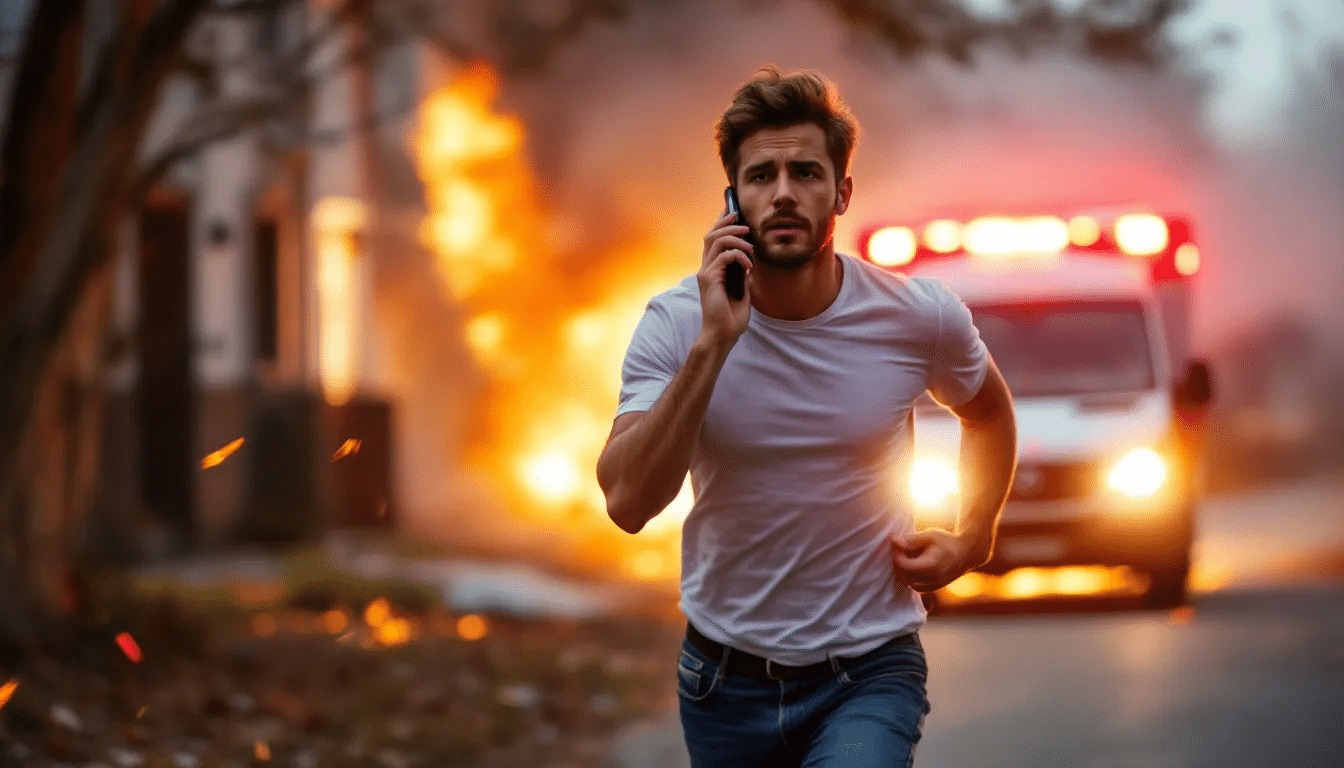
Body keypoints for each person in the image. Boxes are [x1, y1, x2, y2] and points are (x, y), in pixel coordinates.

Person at [595, 67, 1017, 767]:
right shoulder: (676, 325)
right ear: (731, 198)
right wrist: (714, 343)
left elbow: (989, 414)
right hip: (722, 682)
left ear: (842, 191)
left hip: (869, 670)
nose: (783, 192)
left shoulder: (917, 316)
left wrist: (973, 538)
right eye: (761, 175)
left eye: (806, 172)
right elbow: (628, 502)